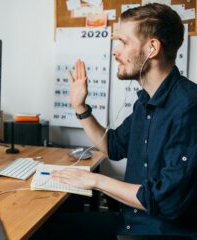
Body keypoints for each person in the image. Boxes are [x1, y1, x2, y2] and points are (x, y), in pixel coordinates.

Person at [47, 3, 197, 239]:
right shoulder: (144, 102)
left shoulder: (189, 107)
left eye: (124, 42)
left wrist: (94, 180)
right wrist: (80, 107)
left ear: (152, 48)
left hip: (159, 233)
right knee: (49, 227)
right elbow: (113, 146)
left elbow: (166, 201)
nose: (115, 51)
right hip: (131, 222)